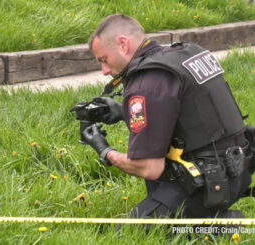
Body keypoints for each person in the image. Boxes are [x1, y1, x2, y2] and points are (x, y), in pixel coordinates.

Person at [82, 14, 254, 222]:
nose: (104, 71)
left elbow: (149, 168)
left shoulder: (147, 80)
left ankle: (219, 226)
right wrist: (122, 111)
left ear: (123, 45)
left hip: (206, 187)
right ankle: (210, 216)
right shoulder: (187, 53)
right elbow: (194, 117)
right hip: (238, 173)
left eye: (104, 60)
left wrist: (105, 151)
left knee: (131, 233)